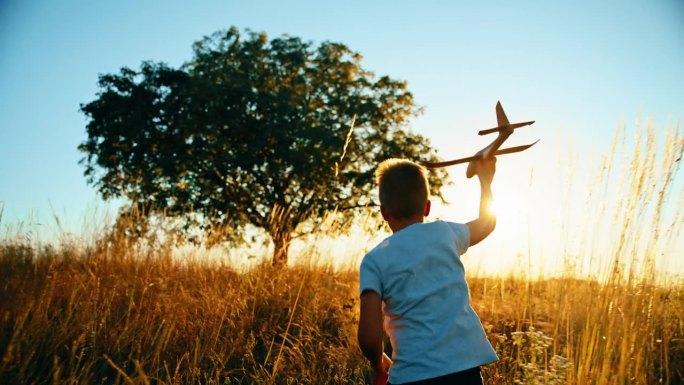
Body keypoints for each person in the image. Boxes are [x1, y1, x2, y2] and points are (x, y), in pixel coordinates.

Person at [357, 157, 498, 385]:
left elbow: (369, 337)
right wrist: (485, 180)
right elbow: (486, 223)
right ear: (427, 206)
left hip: (411, 377)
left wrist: (378, 361)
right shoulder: (446, 233)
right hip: (464, 372)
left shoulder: (374, 261)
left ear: (383, 212)